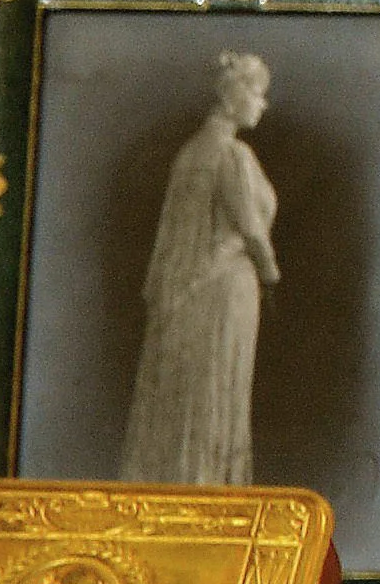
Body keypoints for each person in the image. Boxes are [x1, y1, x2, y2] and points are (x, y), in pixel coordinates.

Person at [115, 51, 279, 487]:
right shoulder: (231, 156)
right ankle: (210, 483)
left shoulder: (190, 153)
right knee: (215, 388)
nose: (263, 104)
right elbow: (251, 230)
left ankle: (193, 478)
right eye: (258, 94)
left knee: (194, 386)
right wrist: (272, 276)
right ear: (234, 97)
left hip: (191, 288)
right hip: (226, 288)